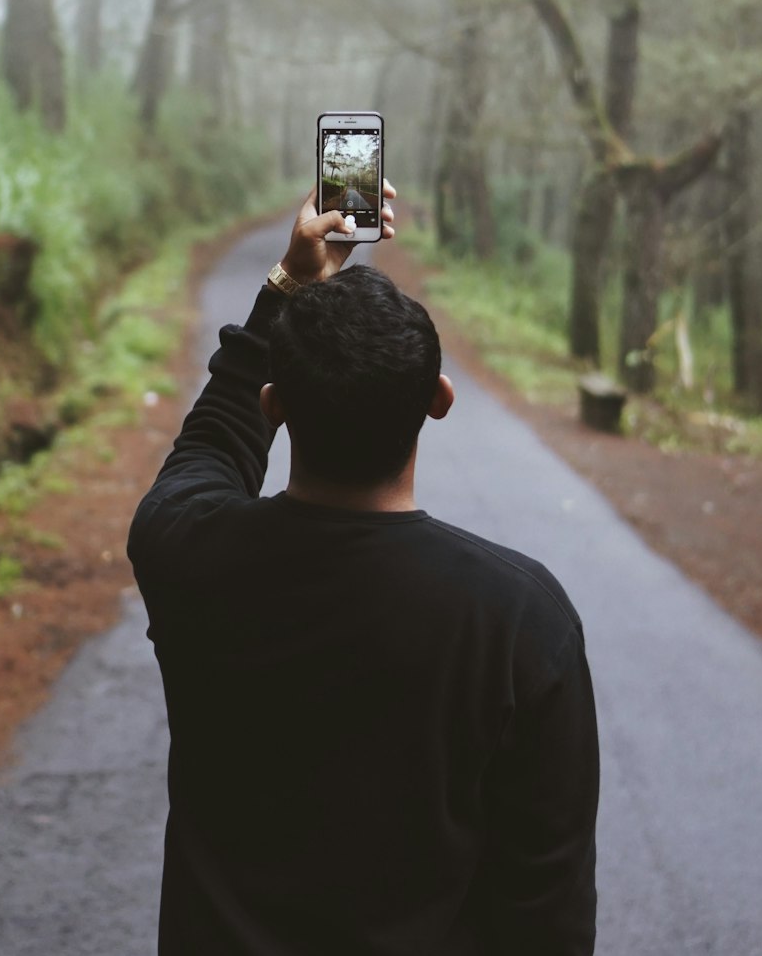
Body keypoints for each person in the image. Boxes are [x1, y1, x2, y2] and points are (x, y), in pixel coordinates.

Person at [128, 185, 599, 956]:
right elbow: (546, 906)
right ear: (438, 400)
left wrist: (285, 284)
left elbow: (211, 446)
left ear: (276, 406)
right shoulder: (520, 619)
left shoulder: (188, 552)